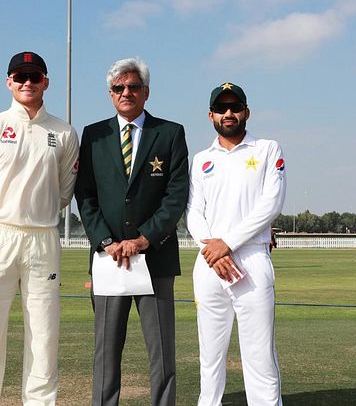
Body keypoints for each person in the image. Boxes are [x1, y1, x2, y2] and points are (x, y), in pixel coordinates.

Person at [0, 51, 79, 406]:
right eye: (20, 76)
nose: (27, 83)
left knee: (44, 334)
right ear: (8, 82)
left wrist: (33, 216)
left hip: (43, 239)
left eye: (35, 76)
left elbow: (64, 191)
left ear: (46, 82)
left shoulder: (63, 132)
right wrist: (2, 216)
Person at [75, 57, 189, 406]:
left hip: (154, 258)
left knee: (162, 353)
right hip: (109, 260)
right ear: (110, 95)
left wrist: (144, 238)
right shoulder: (94, 135)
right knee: (106, 353)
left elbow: (176, 195)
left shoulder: (170, 133)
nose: (127, 92)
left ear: (146, 92)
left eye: (133, 87)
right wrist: (107, 242)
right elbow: (85, 193)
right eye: (119, 88)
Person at [186, 82, 287, 406]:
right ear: (210, 114)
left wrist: (227, 243)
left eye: (235, 107)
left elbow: (271, 204)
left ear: (246, 112)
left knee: (259, 354)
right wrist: (213, 249)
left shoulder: (267, 149)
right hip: (209, 263)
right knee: (210, 355)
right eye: (221, 108)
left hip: (251, 259)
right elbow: (193, 212)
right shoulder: (202, 159)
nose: (228, 113)